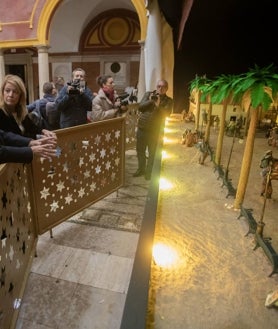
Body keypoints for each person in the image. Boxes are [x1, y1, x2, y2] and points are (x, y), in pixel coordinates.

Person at [133, 79, 173, 180]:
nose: (160, 88)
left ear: (167, 89)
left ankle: (149, 172)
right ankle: (141, 169)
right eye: (159, 86)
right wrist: (151, 101)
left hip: (154, 131)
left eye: (163, 87)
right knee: (140, 151)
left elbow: (167, 114)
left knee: (152, 153)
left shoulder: (169, 100)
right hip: (142, 128)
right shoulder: (148, 95)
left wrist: (158, 105)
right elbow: (140, 107)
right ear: (156, 86)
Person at [0, 74, 56, 139]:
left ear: (21, 95)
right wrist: (33, 143)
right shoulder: (1, 112)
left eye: (15, 92)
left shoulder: (21, 111)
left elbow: (32, 128)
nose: (10, 95)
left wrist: (44, 131)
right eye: (7, 91)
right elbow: (12, 140)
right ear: (2, 92)